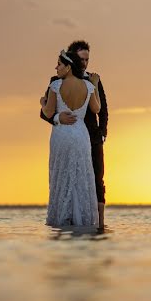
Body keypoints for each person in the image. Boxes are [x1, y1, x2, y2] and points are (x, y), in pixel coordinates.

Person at [40, 40, 109, 228]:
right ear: (72, 60)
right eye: (81, 59)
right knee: (68, 175)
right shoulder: (56, 82)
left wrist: (102, 132)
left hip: (90, 137)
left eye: (87, 59)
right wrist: (57, 118)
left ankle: (99, 225)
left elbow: (102, 110)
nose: (85, 63)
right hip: (74, 134)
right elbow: (45, 114)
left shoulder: (93, 80)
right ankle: (72, 220)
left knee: (95, 178)